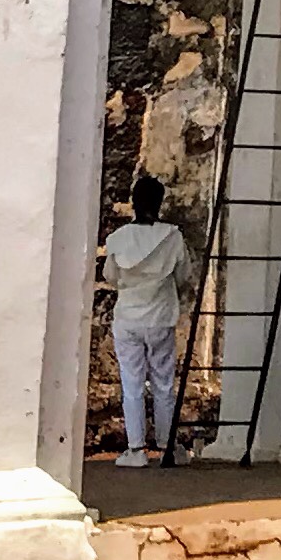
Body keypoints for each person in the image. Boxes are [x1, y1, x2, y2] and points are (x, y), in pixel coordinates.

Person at [96, 173, 189, 468]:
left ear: (134, 203)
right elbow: (184, 276)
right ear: (160, 203)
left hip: (129, 318)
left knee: (132, 383)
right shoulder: (172, 237)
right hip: (160, 316)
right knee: (163, 382)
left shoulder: (119, 239)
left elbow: (109, 276)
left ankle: (136, 449)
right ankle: (167, 447)